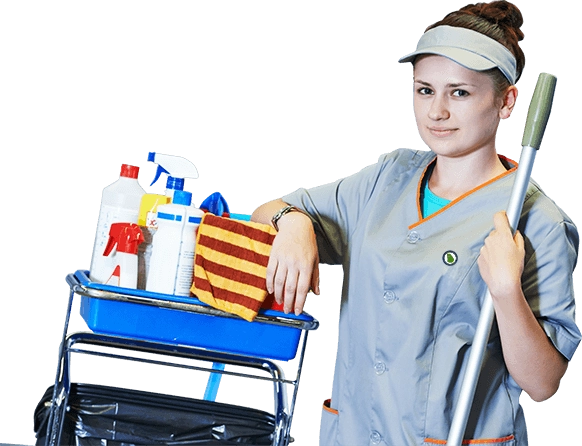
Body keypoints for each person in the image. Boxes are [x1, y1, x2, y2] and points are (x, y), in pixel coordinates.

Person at [251, 1, 580, 444]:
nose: (437, 111)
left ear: (507, 102)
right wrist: (293, 224)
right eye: (425, 89)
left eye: (459, 92)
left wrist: (506, 292)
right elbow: (267, 211)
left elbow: (542, 381)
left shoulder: (534, 222)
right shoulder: (388, 179)